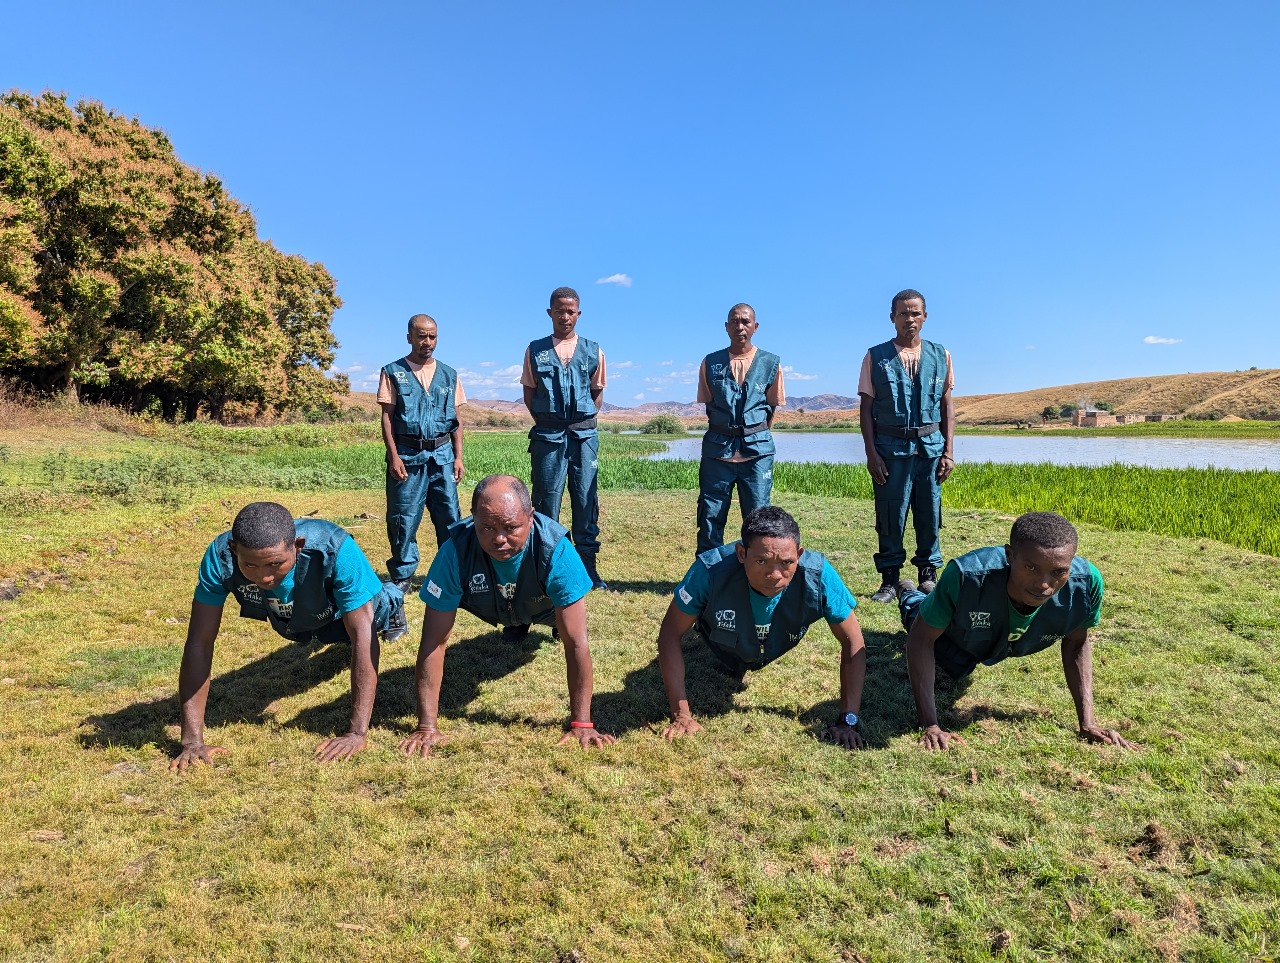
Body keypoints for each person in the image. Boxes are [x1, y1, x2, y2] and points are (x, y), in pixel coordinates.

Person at [171, 502, 409, 772]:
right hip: (294, 618)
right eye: (250, 565)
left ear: (298, 545)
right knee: (299, 623)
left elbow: (363, 637)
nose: (264, 576)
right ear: (234, 550)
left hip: (342, 610)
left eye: (275, 563)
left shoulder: (334, 546)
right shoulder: (219, 556)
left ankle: (393, 598)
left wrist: (356, 733)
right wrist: (192, 742)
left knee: (373, 612)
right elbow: (199, 643)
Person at [398, 475, 614, 756]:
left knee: (566, 628)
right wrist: (427, 727)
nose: (498, 538)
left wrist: (582, 723)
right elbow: (434, 642)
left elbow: (577, 643)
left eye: (511, 527)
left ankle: (540, 625)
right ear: (472, 517)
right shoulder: (455, 551)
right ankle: (516, 622)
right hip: (488, 603)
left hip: (544, 605)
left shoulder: (556, 549)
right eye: (486, 527)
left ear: (531, 517)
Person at [901, 511, 1138, 751]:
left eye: (1058, 572)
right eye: (1031, 567)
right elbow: (920, 640)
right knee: (921, 619)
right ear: (1010, 555)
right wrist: (930, 725)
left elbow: (1077, 643)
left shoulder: (1086, 585)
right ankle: (909, 592)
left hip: (999, 637)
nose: (1044, 585)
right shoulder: (966, 576)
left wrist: (1088, 723)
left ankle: (927, 592)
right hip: (957, 634)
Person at [656, 506, 868, 749]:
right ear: (741, 553)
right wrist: (681, 715)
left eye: (787, 562)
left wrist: (848, 721)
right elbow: (670, 634)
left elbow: (853, 641)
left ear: (799, 554)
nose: (775, 574)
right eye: (761, 561)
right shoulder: (709, 571)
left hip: (773, 644)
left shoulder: (818, 575)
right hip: (719, 645)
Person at [859, 288, 955, 602]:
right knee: (890, 515)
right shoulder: (875, 356)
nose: (909, 319)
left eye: (915, 313)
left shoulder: (941, 355)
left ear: (924, 317)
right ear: (892, 318)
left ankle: (928, 576)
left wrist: (948, 452)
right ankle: (890, 581)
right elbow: (866, 409)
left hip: (930, 449)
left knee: (929, 513)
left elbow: (946, 406)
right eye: (903, 313)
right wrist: (871, 453)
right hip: (889, 450)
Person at [521, 286, 608, 590]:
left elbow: (597, 393)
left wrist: (581, 421)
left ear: (578, 314)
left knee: (586, 499)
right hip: (548, 435)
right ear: (550, 313)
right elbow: (529, 392)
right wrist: (549, 420)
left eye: (571, 311)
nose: (565, 316)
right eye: (559, 310)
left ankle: (588, 568)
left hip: (584, 437)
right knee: (547, 500)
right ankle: (548, 566)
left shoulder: (593, 349)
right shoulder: (535, 350)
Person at [379, 313, 465, 594]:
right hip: (408, 456)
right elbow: (387, 417)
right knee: (403, 517)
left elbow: (457, 420)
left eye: (432, 336)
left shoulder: (449, 374)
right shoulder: (393, 371)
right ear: (409, 337)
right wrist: (393, 455)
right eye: (421, 336)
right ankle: (403, 574)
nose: (427, 341)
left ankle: (451, 570)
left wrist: (458, 456)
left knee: (450, 516)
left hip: (442, 457)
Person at [696, 303, 785, 555]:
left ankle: (756, 573)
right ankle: (708, 575)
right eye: (734, 321)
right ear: (726, 327)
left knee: (759, 519)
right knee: (710, 516)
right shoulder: (710, 362)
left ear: (755, 327)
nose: (740, 326)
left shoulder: (771, 363)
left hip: (757, 453)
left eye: (745, 321)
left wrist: (751, 433)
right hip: (717, 452)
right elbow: (709, 406)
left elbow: (771, 409)